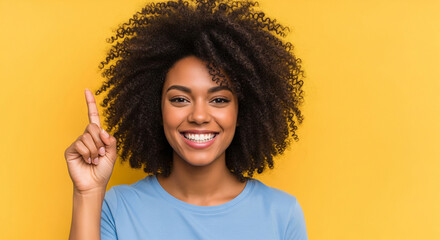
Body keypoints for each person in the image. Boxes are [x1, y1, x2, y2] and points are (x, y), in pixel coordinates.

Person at [64, 0, 307, 239]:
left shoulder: (281, 215)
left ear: (241, 112)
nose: (199, 116)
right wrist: (87, 193)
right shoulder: (118, 208)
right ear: (155, 109)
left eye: (219, 100)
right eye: (180, 99)